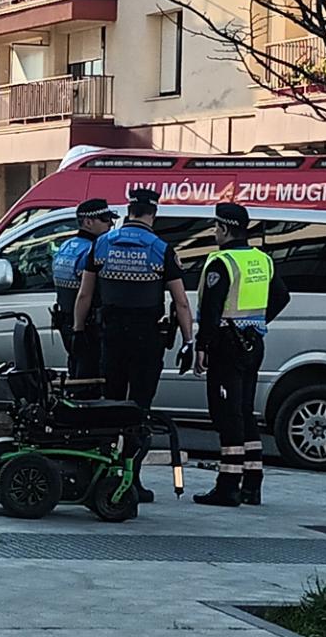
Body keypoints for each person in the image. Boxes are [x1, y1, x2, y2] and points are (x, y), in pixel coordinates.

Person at [74, 188, 195, 501]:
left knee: (109, 408)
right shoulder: (160, 248)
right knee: (139, 410)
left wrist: (77, 331)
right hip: (146, 341)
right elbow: (181, 302)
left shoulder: (102, 244)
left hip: (111, 338)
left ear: (128, 213)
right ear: (152, 215)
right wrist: (189, 341)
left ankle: (105, 474)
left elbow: (85, 294)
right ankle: (133, 480)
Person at [192, 202, 290, 506]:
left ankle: (228, 485)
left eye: (216, 227)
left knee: (227, 413)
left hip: (225, 344)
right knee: (245, 411)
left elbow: (210, 311)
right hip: (253, 343)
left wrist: (201, 347)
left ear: (223, 228)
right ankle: (252, 483)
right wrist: (254, 324)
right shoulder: (262, 260)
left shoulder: (222, 262)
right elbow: (282, 297)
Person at [51, 198, 115, 380]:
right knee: (90, 377)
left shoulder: (66, 246)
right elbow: (87, 293)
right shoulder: (92, 250)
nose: (110, 224)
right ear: (88, 222)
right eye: (105, 219)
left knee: (76, 369)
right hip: (86, 326)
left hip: (65, 320)